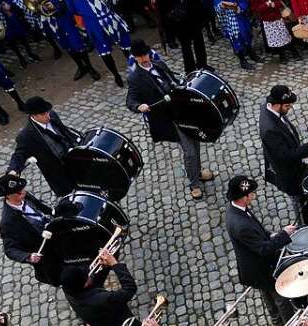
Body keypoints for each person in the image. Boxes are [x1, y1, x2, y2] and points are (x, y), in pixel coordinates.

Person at [126, 39, 216, 201]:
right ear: (135, 58)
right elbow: (130, 100)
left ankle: (198, 171)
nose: (144, 58)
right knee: (189, 151)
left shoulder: (159, 65)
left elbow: (172, 79)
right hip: (169, 119)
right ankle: (194, 184)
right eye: (140, 56)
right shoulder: (135, 78)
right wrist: (139, 106)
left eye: (145, 54)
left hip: (182, 111)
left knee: (195, 144)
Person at [224, 174, 298, 324]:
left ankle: (276, 320)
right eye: (251, 193)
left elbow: (258, 233)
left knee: (267, 293)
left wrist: (271, 235)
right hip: (260, 267)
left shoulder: (237, 209)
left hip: (254, 267)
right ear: (244, 197)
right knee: (280, 296)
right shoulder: (241, 225)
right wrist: (284, 235)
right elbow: (264, 249)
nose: (253, 195)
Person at [260, 84, 308, 222]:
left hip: (294, 165)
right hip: (288, 175)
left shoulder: (270, 108)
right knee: (299, 202)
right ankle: (305, 226)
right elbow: (285, 156)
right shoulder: (269, 130)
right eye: (287, 106)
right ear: (276, 105)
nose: (290, 108)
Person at [59, 258, 138, 326]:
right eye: (86, 277)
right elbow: (129, 289)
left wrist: (105, 267)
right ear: (84, 284)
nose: (89, 275)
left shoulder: (69, 290)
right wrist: (115, 264)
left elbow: (94, 284)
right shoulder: (101, 300)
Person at [7, 96, 81, 198]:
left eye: (47, 111)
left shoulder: (52, 115)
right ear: (33, 115)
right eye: (43, 113)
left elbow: (64, 132)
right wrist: (13, 170)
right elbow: (19, 154)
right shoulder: (27, 136)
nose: (47, 115)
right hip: (59, 172)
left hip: (74, 160)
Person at [0, 174, 57, 286]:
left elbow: (40, 205)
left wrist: (53, 212)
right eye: (18, 193)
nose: (23, 193)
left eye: (23, 189)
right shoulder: (7, 222)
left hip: (53, 233)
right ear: (7, 196)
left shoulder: (24, 195)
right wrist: (29, 257)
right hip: (44, 250)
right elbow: (10, 249)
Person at [66, 0, 132, 86]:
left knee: (126, 45)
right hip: (93, 24)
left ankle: (136, 67)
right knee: (104, 52)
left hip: (109, 17)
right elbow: (73, 10)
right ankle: (116, 76)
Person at [155, 0, 209, 72]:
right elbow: (163, 9)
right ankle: (190, 70)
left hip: (193, 14)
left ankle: (202, 64)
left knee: (198, 40)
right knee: (186, 46)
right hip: (178, 19)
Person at [212, 0, 261, 68]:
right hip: (231, 19)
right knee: (237, 39)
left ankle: (250, 52)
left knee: (247, 35)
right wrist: (222, 6)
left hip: (242, 16)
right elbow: (217, 5)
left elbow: (244, 3)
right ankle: (242, 60)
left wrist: (239, 7)